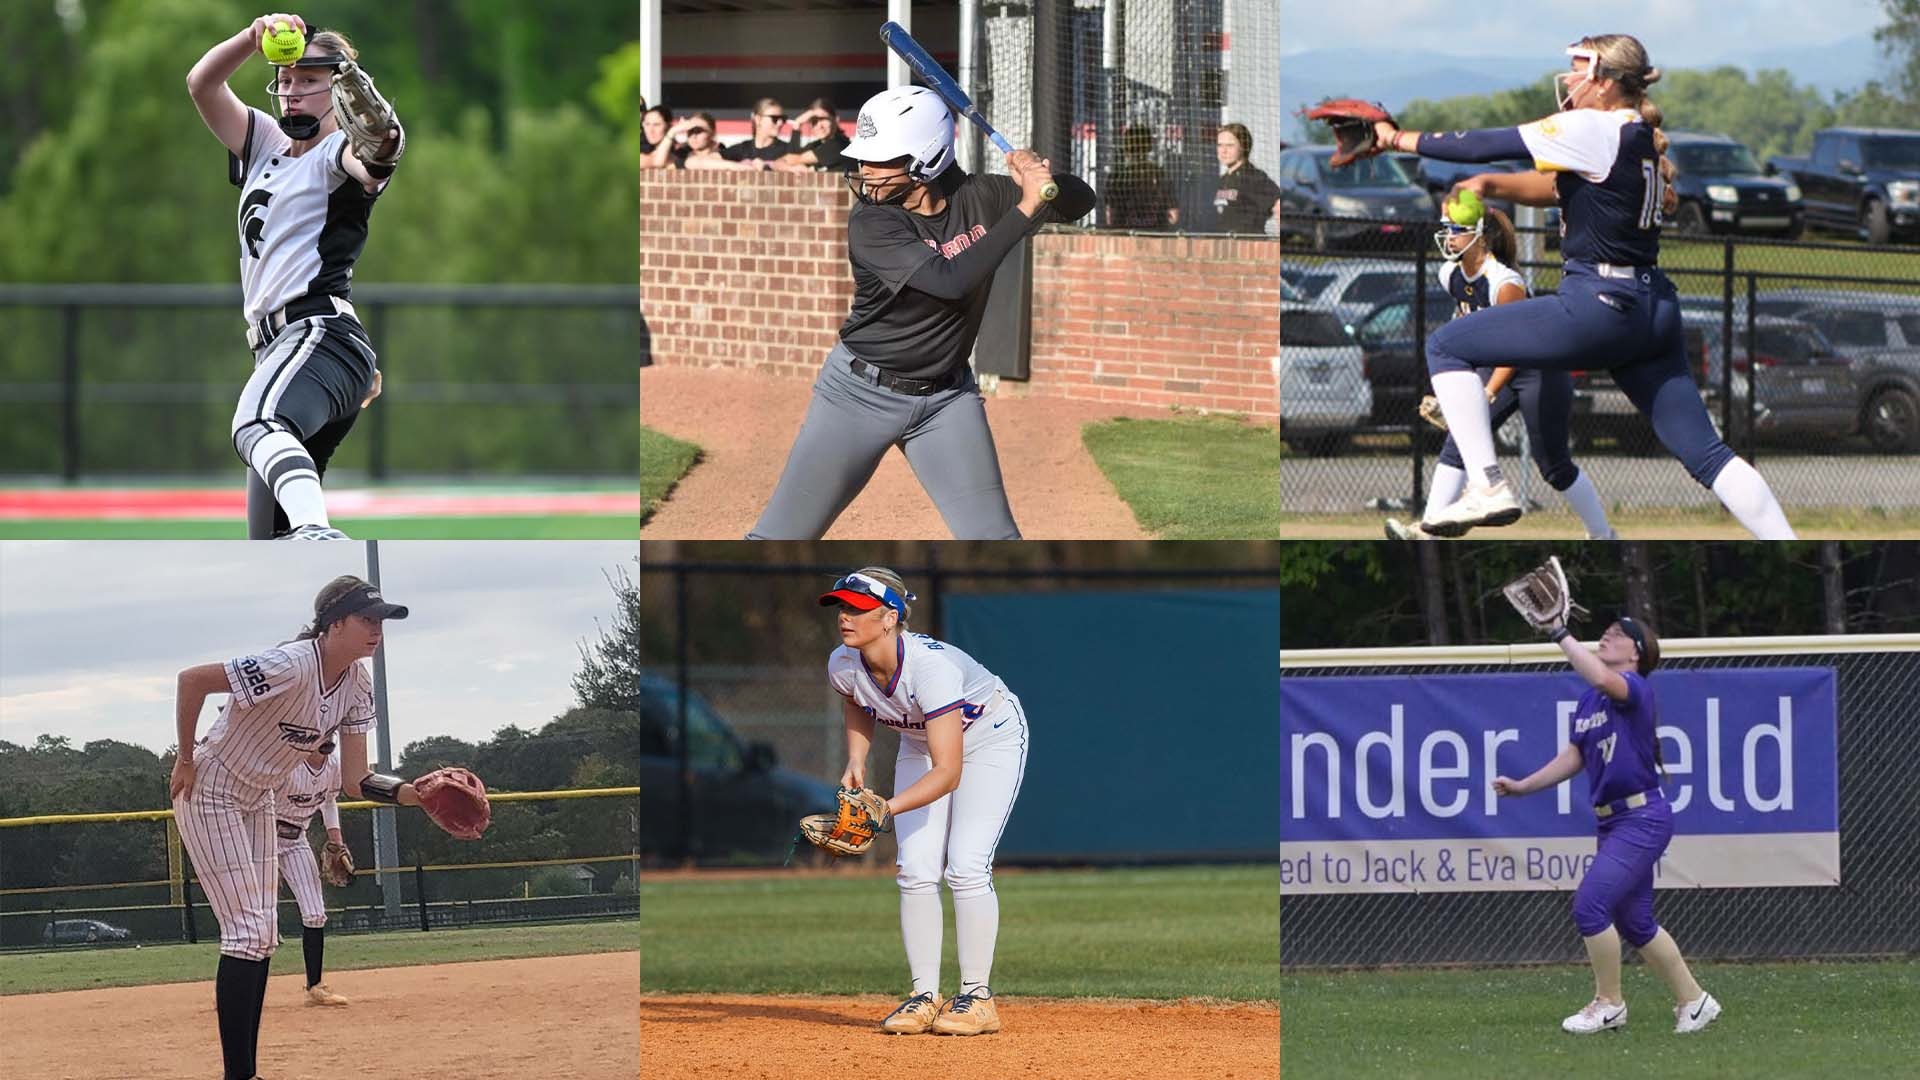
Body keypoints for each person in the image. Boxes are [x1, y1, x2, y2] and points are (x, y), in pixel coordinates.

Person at [1362, 34, 1794, 538]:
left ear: (1606, 82)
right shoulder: (1637, 136)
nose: (1568, 78)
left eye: (1577, 68)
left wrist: (1395, 139)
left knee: (1446, 345)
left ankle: (1489, 487)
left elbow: (1483, 144)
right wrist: (1490, 186)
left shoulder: (1594, 125)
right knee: (1709, 454)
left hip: (1600, 302)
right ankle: (1781, 538)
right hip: (1652, 307)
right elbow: (1562, 188)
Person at [747, 85, 1096, 539]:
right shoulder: (872, 222)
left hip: (946, 401)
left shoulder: (982, 196)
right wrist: (1027, 208)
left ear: (926, 160)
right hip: (858, 395)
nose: (864, 170)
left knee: (996, 541)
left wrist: (1040, 177)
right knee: (781, 537)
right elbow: (948, 281)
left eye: (880, 158)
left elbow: (1080, 202)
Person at [169, 575, 408, 1080]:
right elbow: (192, 679)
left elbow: (355, 780)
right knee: (248, 931)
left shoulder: (358, 685)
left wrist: (412, 793)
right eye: (367, 619)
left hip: (259, 799)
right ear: (333, 624)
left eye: (381, 621)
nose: (377, 630)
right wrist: (185, 757)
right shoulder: (292, 664)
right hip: (211, 788)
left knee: (264, 935)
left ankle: (245, 1072)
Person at [187, 13, 403, 540]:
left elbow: (376, 155)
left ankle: (316, 529)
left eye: (309, 80)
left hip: (318, 334)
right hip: (278, 349)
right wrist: (250, 38)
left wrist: (383, 137)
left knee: (257, 427)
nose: (292, 92)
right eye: (286, 80)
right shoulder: (264, 142)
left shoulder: (336, 153)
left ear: (342, 91)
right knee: (266, 538)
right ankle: (305, 540)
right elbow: (202, 83)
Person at [816, 568, 1030, 1036]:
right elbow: (857, 700)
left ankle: (977, 996)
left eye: (857, 608)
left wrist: (885, 809)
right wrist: (857, 757)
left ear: (890, 617)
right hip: (919, 743)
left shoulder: (931, 668)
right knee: (914, 867)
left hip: (988, 738)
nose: (845, 617)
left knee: (967, 864)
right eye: (841, 607)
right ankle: (923, 995)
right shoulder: (842, 662)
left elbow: (949, 771)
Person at [1493, 616, 1721, 1037]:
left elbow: (1601, 677)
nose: (1606, 636)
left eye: (1616, 634)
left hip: (1642, 817)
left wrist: (1560, 633)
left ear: (1635, 652)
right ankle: (1694, 1000)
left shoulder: (1634, 688)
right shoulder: (1589, 702)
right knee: (1636, 923)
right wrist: (1524, 786)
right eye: (1606, 632)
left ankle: (1609, 1003)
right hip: (1613, 821)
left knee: (1589, 905)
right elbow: (1574, 757)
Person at [1387, 194, 1616, 539]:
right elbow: (1466, 335)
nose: (1448, 236)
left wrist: (1487, 392)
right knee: (1458, 445)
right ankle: (1429, 528)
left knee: (1553, 466)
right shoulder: (1449, 273)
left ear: (1479, 235)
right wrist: (1454, 397)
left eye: (1456, 229)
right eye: (1446, 228)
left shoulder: (1504, 282)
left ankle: (1603, 534)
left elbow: (1514, 348)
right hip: (1498, 366)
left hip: (1538, 369)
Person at [272, 737, 350, 1006]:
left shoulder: (333, 766)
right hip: (262, 835)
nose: (327, 739)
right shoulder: (287, 763)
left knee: (315, 914)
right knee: (256, 922)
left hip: (296, 840)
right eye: (320, 733)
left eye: (330, 733)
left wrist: (336, 842)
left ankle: (315, 988)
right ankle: (235, 992)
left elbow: (329, 803)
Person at [1104, 124, 1178, 230]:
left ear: (1126, 148)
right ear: (1149, 146)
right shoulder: (1161, 175)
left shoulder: (1116, 178)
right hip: (1156, 236)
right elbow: (1173, 217)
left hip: (1124, 237)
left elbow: (1110, 218)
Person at [1214, 122, 1279, 234]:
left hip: (1249, 245)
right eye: (1220, 145)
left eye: (1230, 145)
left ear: (1243, 146)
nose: (1223, 151)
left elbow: (1278, 204)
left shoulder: (1253, 176)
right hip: (1224, 246)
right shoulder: (1223, 179)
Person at [773, 99, 850, 172]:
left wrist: (792, 164)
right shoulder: (815, 145)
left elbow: (794, 159)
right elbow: (778, 162)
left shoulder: (840, 144)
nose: (819, 126)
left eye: (823, 119)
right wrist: (790, 168)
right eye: (814, 121)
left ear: (836, 120)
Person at [721, 96, 793, 164]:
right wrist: (744, 166)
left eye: (782, 119)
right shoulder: (743, 149)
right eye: (774, 118)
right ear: (758, 119)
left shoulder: (787, 150)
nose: (780, 123)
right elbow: (712, 160)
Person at [641, 104, 685, 170]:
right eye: (647, 124)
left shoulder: (681, 153)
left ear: (669, 126)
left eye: (656, 125)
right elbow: (657, 161)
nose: (650, 130)